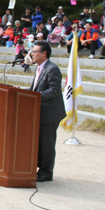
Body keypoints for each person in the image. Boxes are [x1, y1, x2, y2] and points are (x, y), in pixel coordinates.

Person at [28, 41, 66, 182]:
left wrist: (34, 96)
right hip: (40, 112)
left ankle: (46, 172)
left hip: (49, 113)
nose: (32, 54)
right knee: (39, 143)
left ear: (44, 53)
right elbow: (35, 90)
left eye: (35, 51)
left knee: (47, 144)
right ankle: (39, 169)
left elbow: (54, 90)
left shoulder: (52, 69)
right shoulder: (39, 68)